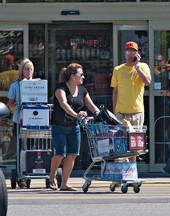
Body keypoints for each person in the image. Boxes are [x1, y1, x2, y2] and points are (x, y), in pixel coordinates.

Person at [49, 63, 99, 191]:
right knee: (60, 153)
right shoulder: (60, 88)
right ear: (72, 76)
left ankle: (64, 183)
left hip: (74, 127)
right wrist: (77, 114)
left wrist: (102, 115)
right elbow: (64, 105)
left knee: (72, 155)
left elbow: (92, 106)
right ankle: (52, 176)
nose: (83, 77)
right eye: (80, 74)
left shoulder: (82, 90)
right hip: (58, 125)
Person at [111, 41, 151, 162]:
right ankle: (125, 170)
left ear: (137, 54)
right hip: (121, 112)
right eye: (128, 52)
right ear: (124, 53)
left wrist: (137, 67)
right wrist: (114, 110)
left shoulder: (143, 67)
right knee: (122, 143)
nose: (130, 54)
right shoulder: (118, 69)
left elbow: (147, 82)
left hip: (137, 111)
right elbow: (115, 91)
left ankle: (132, 170)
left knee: (135, 146)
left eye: (133, 52)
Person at [7, 58, 35, 158]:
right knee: (20, 145)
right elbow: (10, 104)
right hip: (19, 120)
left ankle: (31, 167)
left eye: (31, 69)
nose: (29, 71)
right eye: (27, 69)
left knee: (31, 145)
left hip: (34, 119)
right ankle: (19, 168)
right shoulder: (15, 85)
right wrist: (17, 107)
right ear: (22, 70)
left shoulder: (37, 85)